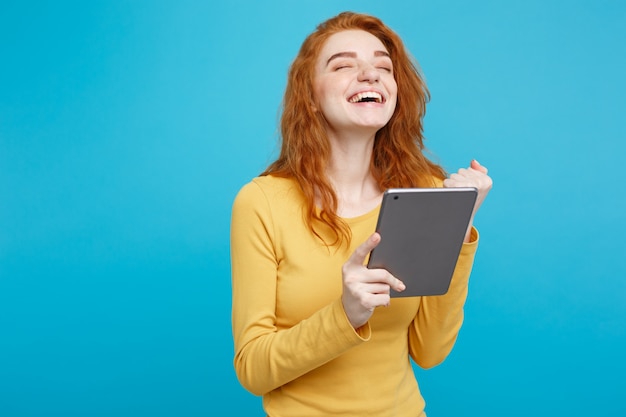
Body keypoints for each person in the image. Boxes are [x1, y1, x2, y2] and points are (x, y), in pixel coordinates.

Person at [230, 11, 493, 417]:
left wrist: (456, 228)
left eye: (383, 67)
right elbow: (253, 370)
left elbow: (430, 351)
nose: (370, 74)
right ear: (311, 97)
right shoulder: (262, 202)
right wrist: (345, 314)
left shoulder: (423, 190)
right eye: (344, 65)